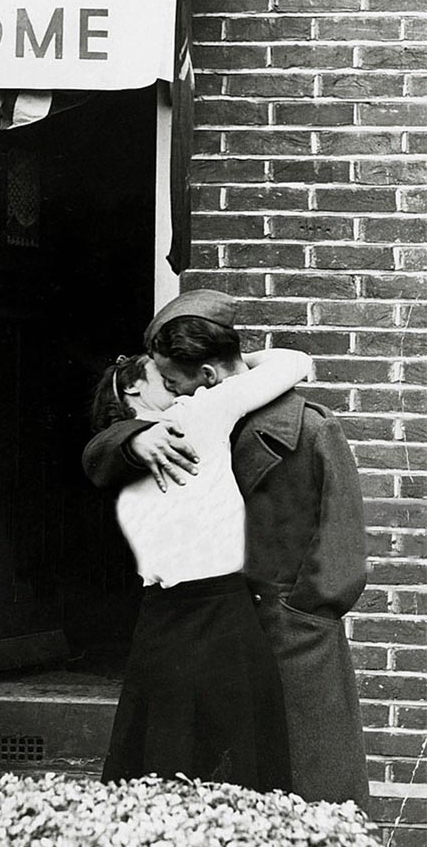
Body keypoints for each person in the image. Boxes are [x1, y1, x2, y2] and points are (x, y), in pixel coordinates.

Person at [83, 289, 370, 810]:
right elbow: (106, 438)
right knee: (215, 794)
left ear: (208, 377)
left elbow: (342, 546)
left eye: (171, 382)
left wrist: (305, 613)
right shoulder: (179, 422)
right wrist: (132, 439)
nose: (167, 392)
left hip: (291, 634)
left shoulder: (305, 427)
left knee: (310, 797)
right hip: (219, 628)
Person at [90, 339, 312, 792]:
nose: (184, 383)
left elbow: (99, 450)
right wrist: (228, 365)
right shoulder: (197, 415)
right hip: (197, 612)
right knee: (226, 759)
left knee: (167, 757)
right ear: (133, 389)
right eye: (167, 377)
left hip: (190, 612)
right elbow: (295, 362)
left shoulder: (151, 435)